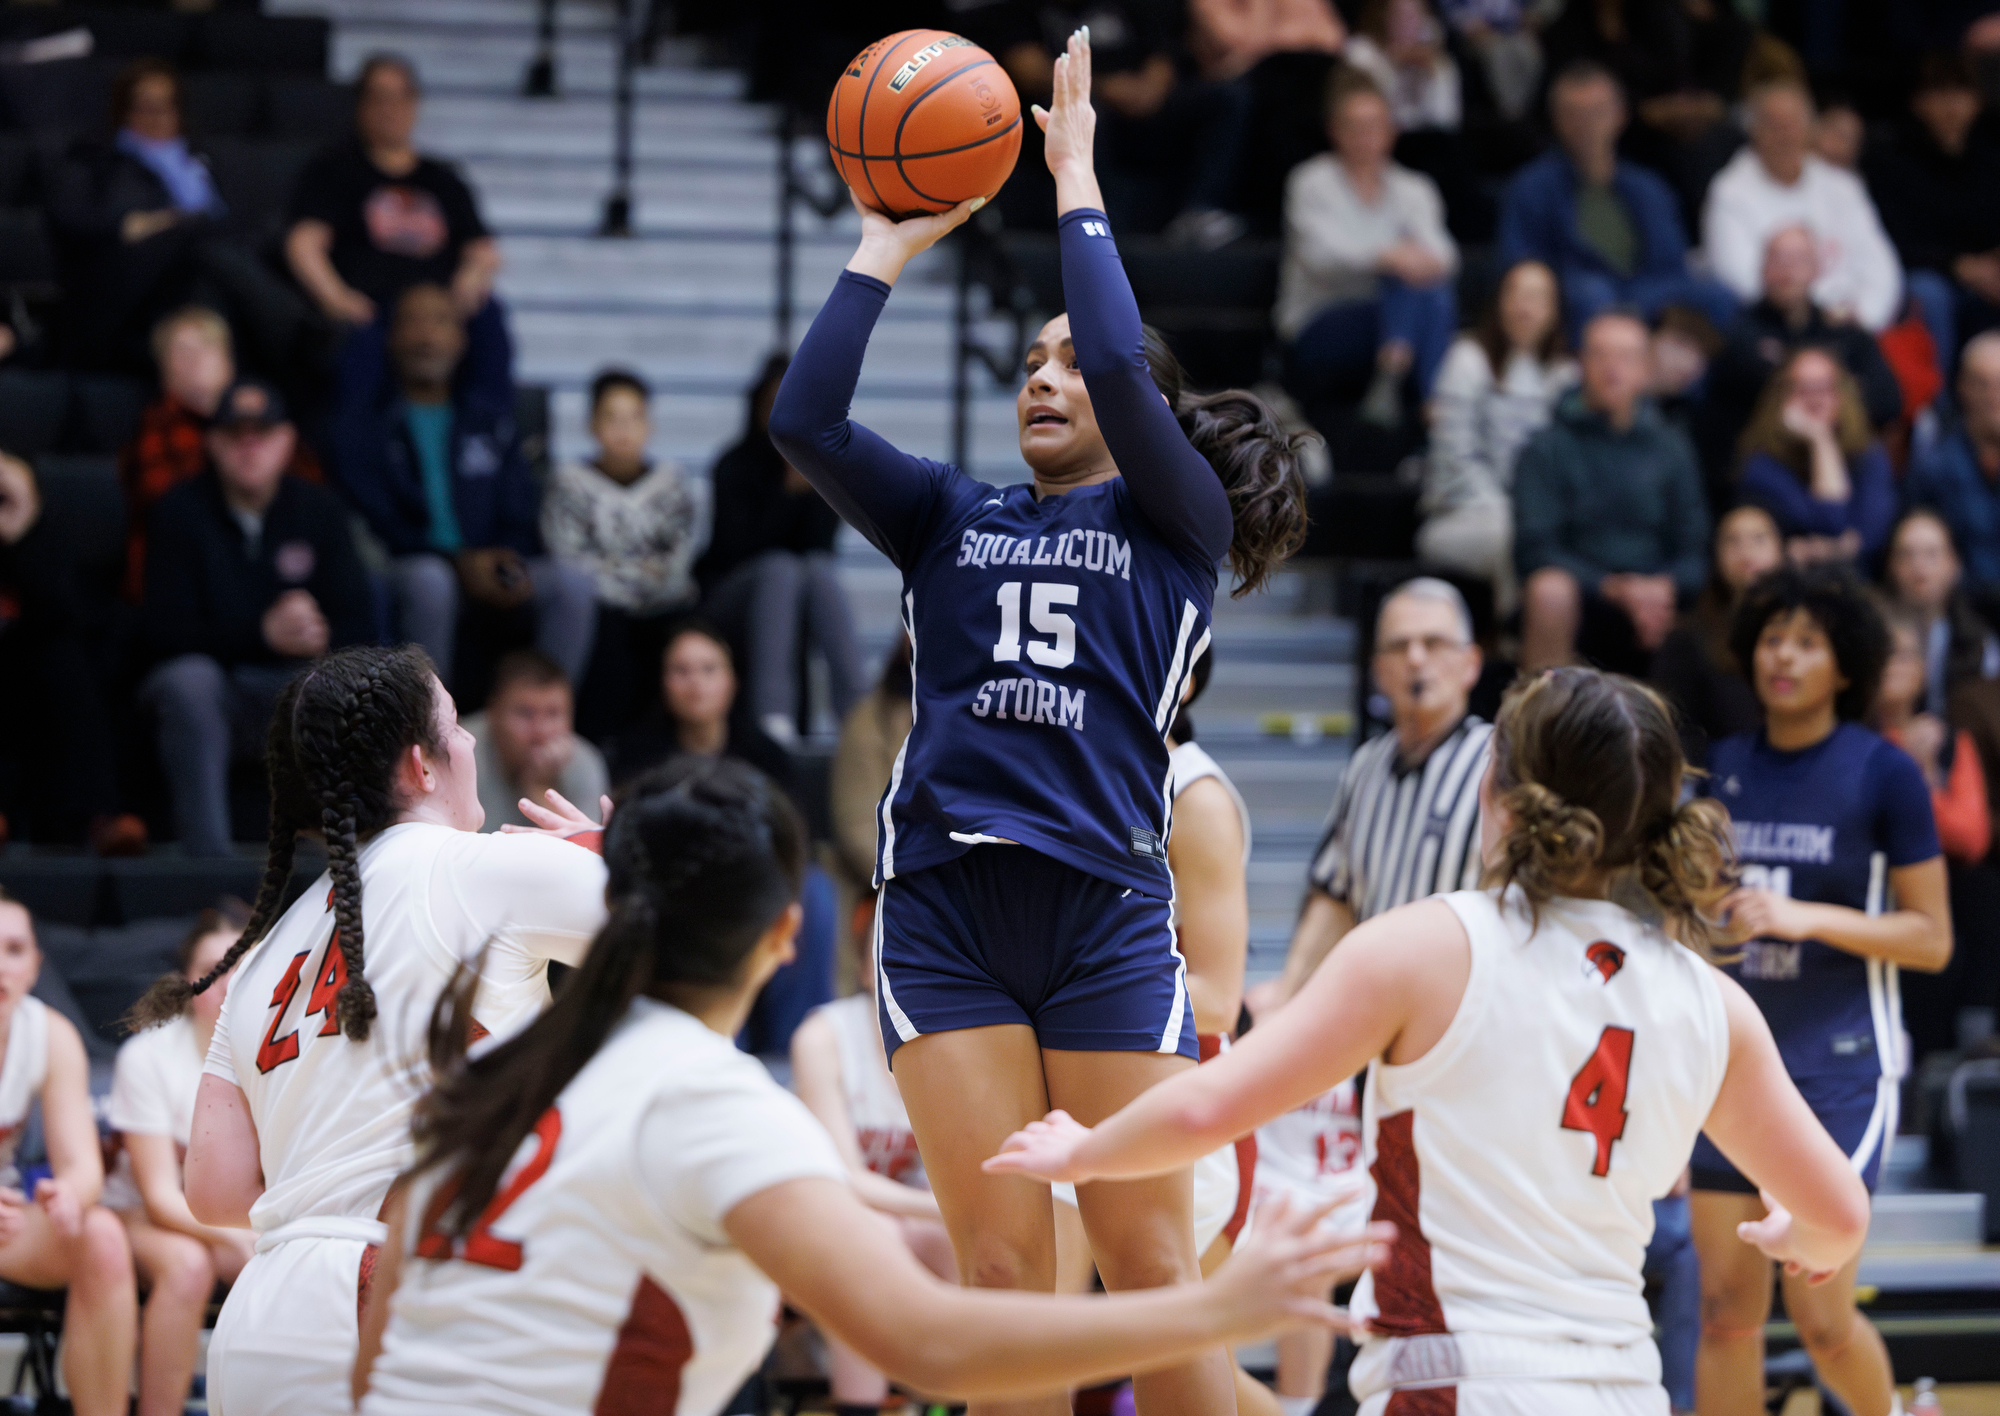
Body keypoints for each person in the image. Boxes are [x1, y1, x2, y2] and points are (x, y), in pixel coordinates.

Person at [767, 31, 1310, 1416]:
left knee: (1150, 1269)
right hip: (946, 914)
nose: (1048, 376)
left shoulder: (1171, 524)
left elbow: (1132, 369)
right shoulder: (951, 516)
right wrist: (886, 240)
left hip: (1104, 915)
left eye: (1070, 361)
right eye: (1031, 360)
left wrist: (1073, 179)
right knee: (1001, 1275)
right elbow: (808, 417)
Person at [352, 757, 1389, 1413]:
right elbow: (929, 1344)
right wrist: (1215, 1310)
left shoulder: (487, 1084)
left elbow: (376, 1348)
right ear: (786, 936)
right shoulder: (710, 1102)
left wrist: (644, 860)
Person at [987, 666, 1876, 1416]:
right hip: (1627, 1389)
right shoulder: (1715, 1003)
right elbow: (1841, 1215)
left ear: (1495, 794)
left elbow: (1213, 1104)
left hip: (1457, 1381)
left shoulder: (1426, 946)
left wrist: (1089, 1149)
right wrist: (1810, 1234)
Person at [126, 644, 612, 1416]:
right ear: (422, 765)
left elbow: (213, 1191)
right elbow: (707, 935)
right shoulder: (481, 869)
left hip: (262, 1320)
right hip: (406, 1296)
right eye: (456, 725)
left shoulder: (262, 956)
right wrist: (619, 856)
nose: (474, 744)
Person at [1692, 565, 1951, 1416]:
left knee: (1820, 1314)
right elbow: (1690, 911)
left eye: (1808, 642)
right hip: (1727, 1065)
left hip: (1839, 1067)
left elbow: (1931, 938)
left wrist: (1806, 917)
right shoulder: (1721, 768)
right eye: (1773, 637)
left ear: (1846, 666)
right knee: (1726, 1312)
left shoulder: (1884, 774)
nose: (1785, 657)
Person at [1255, 577, 1489, 1416]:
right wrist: (1287, 989)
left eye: (1432, 643)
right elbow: (1334, 888)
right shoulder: (1364, 770)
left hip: (1472, 1049)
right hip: (1382, 1057)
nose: (1415, 659)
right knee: (1390, 1245)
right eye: (1398, 645)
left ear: (1472, 661)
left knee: (1447, 1254)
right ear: (1377, 668)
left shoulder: (1498, 766)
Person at [140, 378, 374, 855]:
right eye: (233, 433)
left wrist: (319, 634)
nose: (249, 446)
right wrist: (261, 634)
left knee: (338, 683)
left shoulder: (320, 510)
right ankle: (209, 867)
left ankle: (333, 875)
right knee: (189, 681)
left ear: (287, 441)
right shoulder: (178, 512)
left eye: (262, 433)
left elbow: (360, 624)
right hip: (220, 691)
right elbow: (159, 633)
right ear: (211, 442)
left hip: (294, 690)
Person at [333, 283, 595, 693]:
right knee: (430, 581)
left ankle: (544, 724)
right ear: (392, 337)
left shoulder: (488, 419)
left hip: (489, 563)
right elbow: (380, 520)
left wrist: (506, 558)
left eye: (441, 322)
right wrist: (458, 563)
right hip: (410, 566)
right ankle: (428, 731)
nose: (427, 337)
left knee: (571, 585)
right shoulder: (366, 427)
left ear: (461, 339)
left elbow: (519, 505)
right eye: (413, 323)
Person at [790, 899, 955, 1416]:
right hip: (825, 1210)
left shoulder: (951, 1044)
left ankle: (947, 1398)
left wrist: (952, 1216)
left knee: (959, 1240)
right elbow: (846, 1182)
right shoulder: (822, 1037)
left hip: (911, 1214)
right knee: (875, 1234)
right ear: (863, 966)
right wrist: (950, 1211)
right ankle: (860, 1406)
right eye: (888, 956)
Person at [47, 59, 313, 378]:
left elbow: (240, 223)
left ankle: (224, 381)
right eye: (145, 107)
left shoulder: (205, 161)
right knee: (199, 244)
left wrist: (166, 223)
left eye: (166, 107)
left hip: (200, 287)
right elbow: (80, 226)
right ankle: (295, 332)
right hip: (129, 296)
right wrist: (162, 225)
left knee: (206, 271)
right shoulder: (95, 163)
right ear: (122, 112)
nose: (157, 118)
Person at [286, 54, 510, 404]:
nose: (390, 109)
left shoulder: (443, 178)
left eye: (399, 97)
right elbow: (303, 243)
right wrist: (336, 298)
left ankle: (486, 438)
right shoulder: (333, 170)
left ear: (415, 103)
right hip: (374, 308)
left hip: (438, 307)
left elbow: (484, 251)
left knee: (489, 317)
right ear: (360, 106)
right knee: (357, 343)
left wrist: (471, 277)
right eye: (378, 98)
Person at [107, 908, 257, 1416]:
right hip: (140, 1217)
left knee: (288, 1262)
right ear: (189, 981)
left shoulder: (275, 1058)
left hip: (230, 1219)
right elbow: (159, 1197)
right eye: (216, 966)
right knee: (189, 1265)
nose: (228, 981)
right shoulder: (146, 1057)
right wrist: (238, 1237)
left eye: (243, 964)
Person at [0, 891, 139, 1416]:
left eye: (14, 949)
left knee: (100, 1233)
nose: (0, 965)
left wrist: (67, 1195)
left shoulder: (49, 1035)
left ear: (35, 966)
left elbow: (82, 1165)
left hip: (7, 1224)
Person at [1514, 310, 1710, 675]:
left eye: (1625, 356)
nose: (1611, 367)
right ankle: (1542, 722)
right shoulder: (1547, 448)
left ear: (1646, 369)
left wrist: (1660, 588)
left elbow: (1694, 551)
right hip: (1582, 595)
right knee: (1548, 590)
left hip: (1657, 598)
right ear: (1580, 364)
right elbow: (1534, 549)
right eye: (1599, 354)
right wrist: (1613, 588)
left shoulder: (1673, 447)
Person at [1495, 61, 1735, 335]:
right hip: (1576, 297)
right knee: (1591, 293)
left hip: (1650, 293)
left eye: (1597, 112)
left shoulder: (1648, 186)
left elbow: (1672, 263)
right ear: (1557, 121)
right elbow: (1520, 264)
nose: (1588, 125)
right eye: (1575, 114)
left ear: (1620, 115)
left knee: (1719, 296)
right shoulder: (1531, 187)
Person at [697, 354, 863, 747]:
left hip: (796, 591)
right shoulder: (733, 465)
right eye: (774, 401)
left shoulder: (824, 467)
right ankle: (774, 715)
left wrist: (811, 485)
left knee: (818, 572)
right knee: (779, 569)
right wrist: (786, 496)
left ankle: (857, 714)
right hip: (729, 594)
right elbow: (733, 548)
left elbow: (820, 548)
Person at [1276, 70, 1458, 425]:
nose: (1365, 135)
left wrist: (1411, 263)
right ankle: (1431, 401)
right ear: (1334, 130)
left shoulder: (1414, 188)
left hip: (1392, 312)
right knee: (1424, 295)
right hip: (1321, 317)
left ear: (1391, 129)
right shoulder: (1310, 182)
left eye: (1374, 124)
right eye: (1354, 125)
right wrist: (1388, 257)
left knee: (1428, 291)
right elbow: (1321, 257)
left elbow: (1445, 257)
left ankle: (1394, 359)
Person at [541, 368, 701, 740]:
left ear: (650, 425)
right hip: (601, 611)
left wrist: (623, 575)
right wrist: (637, 579)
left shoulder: (673, 483)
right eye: (611, 417)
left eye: (635, 417)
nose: (624, 429)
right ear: (591, 425)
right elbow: (568, 560)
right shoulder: (568, 483)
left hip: (665, 607)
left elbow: (678, 563)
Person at [121, 307, 320, 602]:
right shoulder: (158, 423)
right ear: (164, 367)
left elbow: (310, 494)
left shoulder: (264, 412)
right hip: (189, 577)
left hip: (281, 565)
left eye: (206, 346)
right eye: (181, 349)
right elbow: (164, 503)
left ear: (229, 359)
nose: (195, 358)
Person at [0, 451, 146, 853]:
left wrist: (22, 525)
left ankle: (95, 819)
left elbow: (59, 608)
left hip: (26, 672)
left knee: (65, 662)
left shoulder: (43, 536)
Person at [1418, 259, 1575, 614]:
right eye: (1517, 295)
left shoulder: (1566, 376)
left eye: (1537, 298)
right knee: (1516, 536)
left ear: (1554, 311)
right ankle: (1515, 639)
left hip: (1534, 515)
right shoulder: (1466, 360)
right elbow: (1454, 457)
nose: (1525, 307)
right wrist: (1514, 511)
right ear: (1500, 303)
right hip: (1460, 514)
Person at [1697, 226, 1906, 485]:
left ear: (1817, 268)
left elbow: (1888, 400)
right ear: (1762, 268)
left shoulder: (1845, 332)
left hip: (1845, 466)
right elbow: (1758, 390)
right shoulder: (1737, 334)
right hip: (1765, 471)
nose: (1787, 271)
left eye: (1798, 260)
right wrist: (1844, 385)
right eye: (1778, 259)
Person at [1702, 79, 1903, 333]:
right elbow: (1740, 279)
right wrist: (1818, 318)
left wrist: (1867, 317)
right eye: (1773, 125)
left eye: (1792, 124)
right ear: (1753, 130)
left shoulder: (1843, 186)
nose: (1785, 135)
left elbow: (1880, 266)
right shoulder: (1729, 192)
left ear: (1810, 128)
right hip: (1777, 328)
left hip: (1852, 325)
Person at [1864, 51, 2000, 370]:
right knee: (1929, 293)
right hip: (1929, 272)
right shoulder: (1893, 161)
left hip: (1986, 274)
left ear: (1977, 101)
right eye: (1939, 94)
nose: (1951, 105)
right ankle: (1937, 412)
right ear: (1919, 102)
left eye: (1960, 93)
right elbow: (1891, 240)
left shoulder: (1991, 160)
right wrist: (1956, 265)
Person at [1733, 346, 1897, 567]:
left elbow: (1872, 536)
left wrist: (1821, 441)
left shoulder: (1869, 455)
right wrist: (1821, 440)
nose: (1814, 398)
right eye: (1802, 388)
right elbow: (1830, 523)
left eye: (1824, 387)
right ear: (1782, 396)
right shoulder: (1762, 464)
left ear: (1843, 393)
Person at [1650, 504, 1784, 766]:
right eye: (1732, 541)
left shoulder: (1806, 632)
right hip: (1715, 776)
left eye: (1759, 538)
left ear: (1781, 549)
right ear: (1715, 555)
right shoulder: (1688, 637)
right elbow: (1674, 728)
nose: (1745, 551)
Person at [608, 622, 796, 796]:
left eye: (709, 669)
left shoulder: (767, 758)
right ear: (662, 682)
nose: (696, 682)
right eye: (681, 670)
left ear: (733, 680)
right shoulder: (635, 759)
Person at [1875, 602, 1990, 866]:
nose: (1892, 665)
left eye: (1904, 655)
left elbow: (1970, 839)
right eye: (1881, 653)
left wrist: (1924, 774)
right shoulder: (1841, 740)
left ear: (1923, 668)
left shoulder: (1946, 740)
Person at [464, 650, 609, 833]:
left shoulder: (585, 763)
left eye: (553, 713)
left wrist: (541, 789)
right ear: (493, 711)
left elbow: (586, 850)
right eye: (525, 713)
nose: (541, 732)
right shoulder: (461, 750)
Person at [1879, 507, 2000, 718]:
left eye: (1931, 554)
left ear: (1954, 564)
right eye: (1906, 554)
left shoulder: (1979, 641)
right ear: (1891, 564)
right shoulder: (1874, 636)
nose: (1918, 566)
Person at [1905, 331, 2000, 594]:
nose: (1994, 396)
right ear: (1962, 387)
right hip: (1960, 610)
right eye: (1982, 383)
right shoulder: (1933, 466)